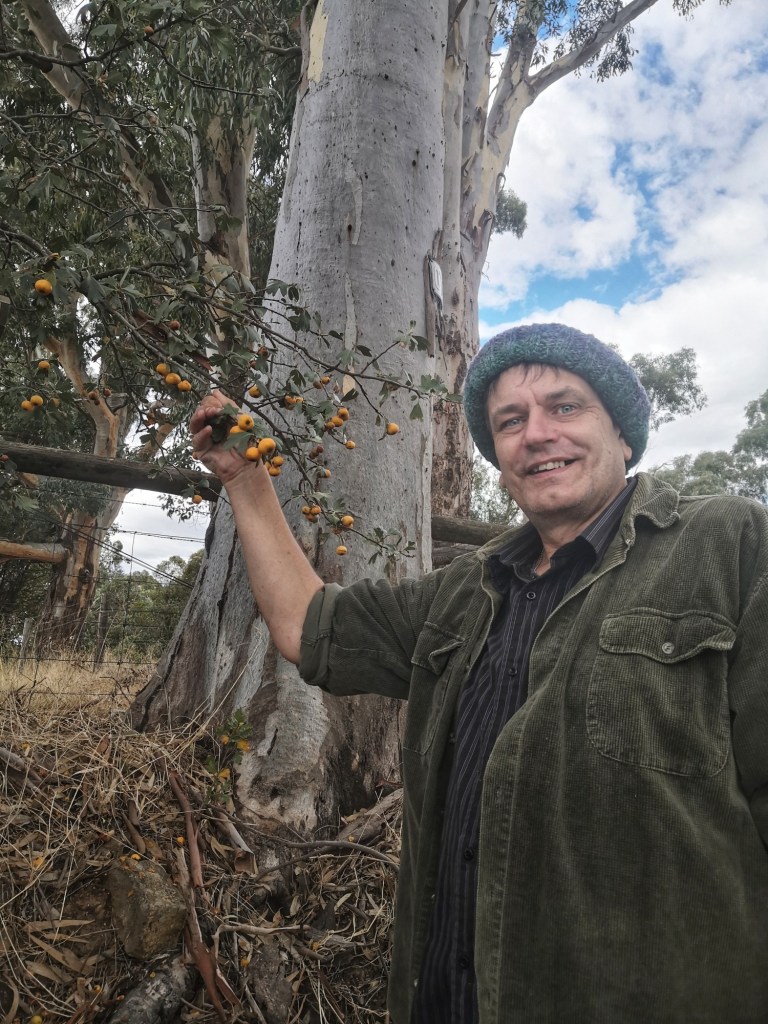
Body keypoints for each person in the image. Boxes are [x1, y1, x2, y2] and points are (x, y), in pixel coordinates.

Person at [190, 323, 768, 1024]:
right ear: (499, 461)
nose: (537, 433)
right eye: (511, 422)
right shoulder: (463, 590)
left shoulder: (729, 543)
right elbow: (308, 627)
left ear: (623, 435)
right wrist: (247, 479)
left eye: (565, 407)